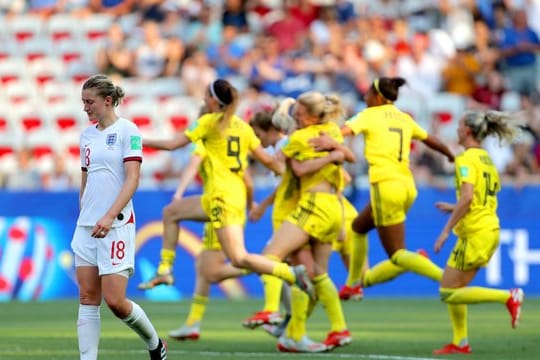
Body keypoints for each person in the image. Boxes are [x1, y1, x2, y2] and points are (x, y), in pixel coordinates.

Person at [138, 78, 314, 302]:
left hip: (222, 199)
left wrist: (136, 140)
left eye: (206, 95)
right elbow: (268, 162)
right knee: (171, 212)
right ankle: (165, 270)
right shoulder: (242, 127)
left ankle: (290, 273)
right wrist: (291, 173)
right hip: (226, 196)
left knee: (239, 258)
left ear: (213, 100)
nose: (203, 98)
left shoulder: (209, 123)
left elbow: (173, 144)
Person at [310, 77, 454, 294]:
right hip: (407, 186)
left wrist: (321, 138)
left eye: (368, 93)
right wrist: (450, 154)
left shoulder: (370, 115)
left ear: (377, 96)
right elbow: (429, 139)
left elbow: (342, 132)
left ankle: (445, 277)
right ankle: (353, 285)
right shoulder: (403, 117)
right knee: (358, 228)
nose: (365, 97)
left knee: (397, 254)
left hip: (385, 186)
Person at [71, 74, 166, 360]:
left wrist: (110, 215)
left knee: (115, 302)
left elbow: (132, 179)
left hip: (116, 225)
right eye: (83, 102)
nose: (85, 108)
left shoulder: (129, 131)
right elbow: (85, 179)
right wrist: (84, 212)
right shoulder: (86, 135)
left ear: (108, 101)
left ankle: (155, 344)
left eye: (90, 102)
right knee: (88, 297)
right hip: (87, 226)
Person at [432, 110, 525, 355]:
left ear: (468, 131)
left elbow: (468, 196)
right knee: (454, 288)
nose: (456, 129)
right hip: (487, 226)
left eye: (460, 125)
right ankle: (460, 341)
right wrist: (454, 208)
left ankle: (508, 296)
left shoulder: (465, 158)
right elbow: (481, 199)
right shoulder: (486, 159)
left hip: (476, 232)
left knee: (448, 292)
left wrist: (445, 231)